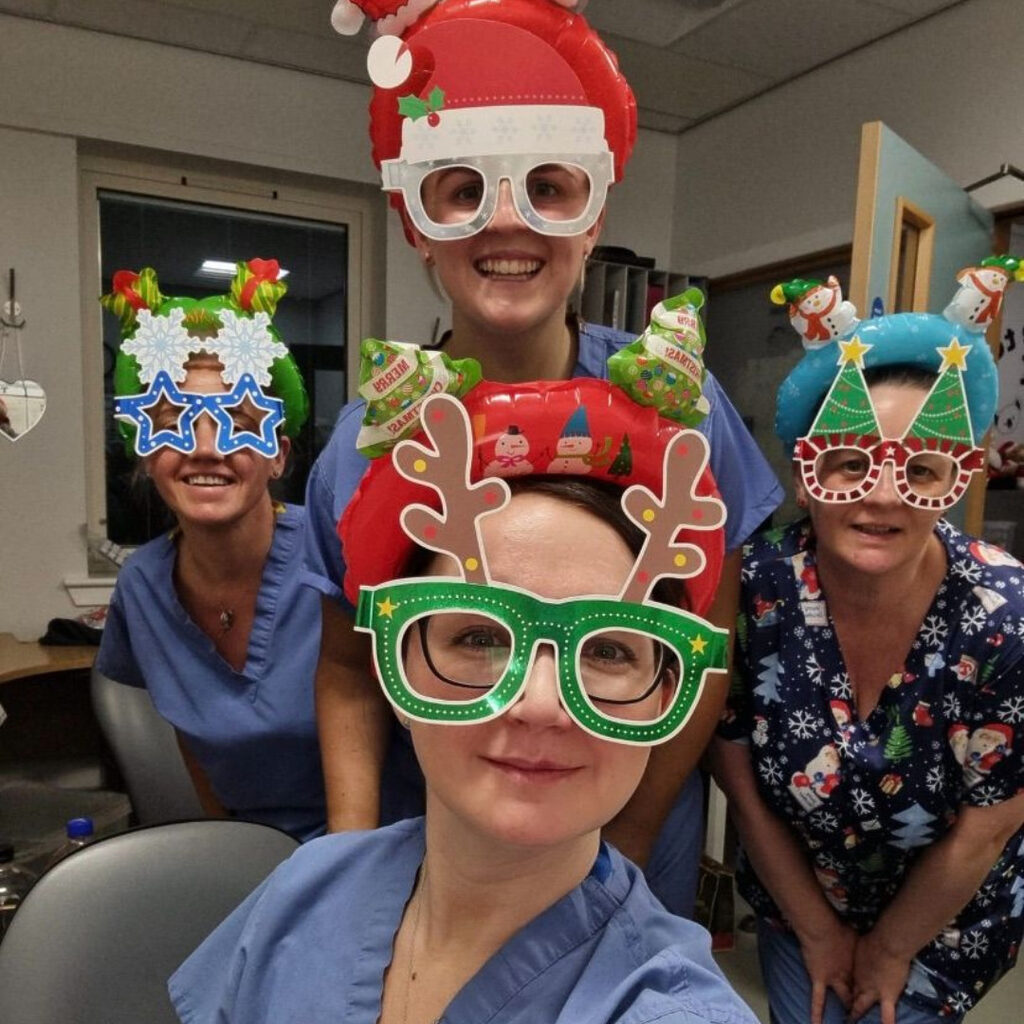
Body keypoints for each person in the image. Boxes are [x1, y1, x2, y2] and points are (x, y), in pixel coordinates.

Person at [306, 0, 782, 914]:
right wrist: (351, 862)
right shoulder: (372, 434)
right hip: (453, 822)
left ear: (594, 217)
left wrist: (634, 831)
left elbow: (708, 638)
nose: (508, 224)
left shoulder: (678, 406)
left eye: (549, 188)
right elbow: (346, 669)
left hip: (630, 804)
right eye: (462, 190)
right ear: (416, 225)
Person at [169, 378, 759, 1024]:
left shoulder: (669, 1010)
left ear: (664, 695)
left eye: (606, 651)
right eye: (479, 637)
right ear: (399, 661)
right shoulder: (302, 894)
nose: (540, 702)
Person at [712, 269, 1024, 1023]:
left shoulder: (1005, 615)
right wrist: (818, 931)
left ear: (957, 481)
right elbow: (736, 770)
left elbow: (993, 819)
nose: (882, 496)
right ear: (807, 474)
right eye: (852, 463)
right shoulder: (755, 587)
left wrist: (887, 951)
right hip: (800, 904)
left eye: (919, 470)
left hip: (946, 925)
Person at [95, 260, 326, 841]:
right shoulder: (143, 589)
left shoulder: (335, 555)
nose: (205, 449)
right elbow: (194, 741)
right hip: (249, 853)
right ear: (147, 452)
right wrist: (231, 853)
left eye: (236, 421)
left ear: (278, 454)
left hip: (377, 846)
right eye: (174, 422)